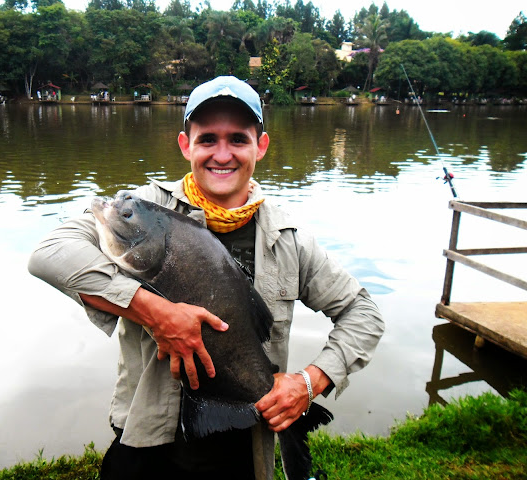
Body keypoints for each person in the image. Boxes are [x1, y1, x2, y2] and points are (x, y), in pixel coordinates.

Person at [28, 76, 384, 480]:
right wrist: (155, 312)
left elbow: (363, 312)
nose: (222, 154)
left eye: (238, 139)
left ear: (261, 146)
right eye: (208, 139)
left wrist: (309, 382)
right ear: (186, 145)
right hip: (145, 440)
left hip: (243, 444)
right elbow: (49, 253)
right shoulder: (140, 210)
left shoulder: (290, 240)